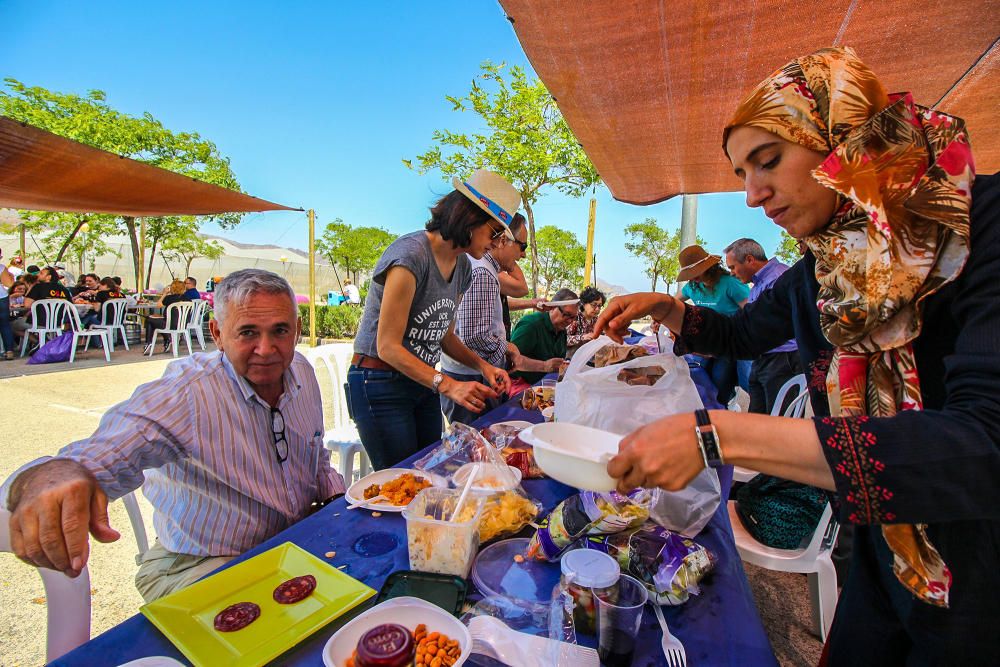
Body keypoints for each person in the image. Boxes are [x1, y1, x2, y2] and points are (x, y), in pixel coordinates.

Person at [594, 47, 999, 664]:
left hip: (979, 574)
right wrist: (666, 308)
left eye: (768, 161)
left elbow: (983, 443)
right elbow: (739, 335)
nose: (754, 195)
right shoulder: (821, 270)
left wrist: (717, 436)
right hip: (876, 544)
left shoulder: (979, 223)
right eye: (742, 176)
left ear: (842, 137)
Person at [2, 269, 345, 601]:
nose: (267, 349)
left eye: (280, 331)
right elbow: (111, 447)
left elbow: (315, 455)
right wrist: (58, 474)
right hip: (197, 564)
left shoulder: (300, 369)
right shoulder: (188, 392)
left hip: (289, 544)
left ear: (298, 330)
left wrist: (337, 502)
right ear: (217, 334)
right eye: (248, 333)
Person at [348, 169, 516, 470]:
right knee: (401, 483)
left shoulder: (463, 267)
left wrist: (484, 366)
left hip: (422, 381)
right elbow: (386, 346)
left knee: (429, 474)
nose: (495, 243)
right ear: (470, 217)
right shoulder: (411, 256)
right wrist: (448, 385)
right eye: (495, 233)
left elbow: (445, 335)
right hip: (380, 381)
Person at [440, 213, 564, 424]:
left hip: (472, 374)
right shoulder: (483, 273)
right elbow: (474, 337)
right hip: (473, 378)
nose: (523, 256)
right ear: (503, 240)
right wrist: (507, 349)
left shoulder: (484, 270)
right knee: (478, 446)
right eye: (522, 247)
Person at [723, 238, 803, 415]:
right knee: (758, 419)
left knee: (781, 421)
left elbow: (770, 324)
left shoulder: (778, 278)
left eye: (733, 267)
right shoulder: (759, 284)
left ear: (750, 260)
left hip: (783, 359)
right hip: (764, 358)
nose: (732, 273)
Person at [674, 245, 749, 404]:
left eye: (695, 272)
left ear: (708, 267)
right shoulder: (692, 287)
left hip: (727, 345)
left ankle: (722, 411)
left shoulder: (730, 284)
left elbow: (751, 312)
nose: (692, 277)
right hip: (703, 346)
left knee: (719, 383)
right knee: (697, 379)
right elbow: (673, 303)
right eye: (689, 274)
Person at [509, 288, 579, 390]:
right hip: (518, 384)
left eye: (573, 317)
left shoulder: (562, 331)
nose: (570, 321)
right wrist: (544, 366)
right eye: (567, 314)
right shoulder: (531, 325)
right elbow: (511, 361)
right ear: (552, 307)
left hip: (545, 384)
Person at [143, 279, 193, 352]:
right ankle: (166, 340)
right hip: (183, 325)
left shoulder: (169, 298)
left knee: (149, 319)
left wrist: (164, 294)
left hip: (170, 325)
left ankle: (149, 342)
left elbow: (158, 305)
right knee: (156, 320)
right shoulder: (188, 299)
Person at [566, 286, 606, 350]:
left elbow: (603, 334)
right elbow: (563, 340)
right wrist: (582, 337)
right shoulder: (574, 318)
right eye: (594, 305)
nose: (597, 309)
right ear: (584, 303)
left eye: (599, 306)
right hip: (573, 355)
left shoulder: (596, 320)